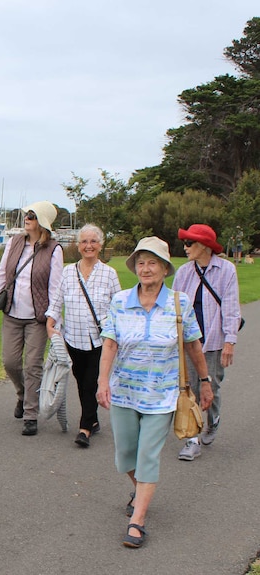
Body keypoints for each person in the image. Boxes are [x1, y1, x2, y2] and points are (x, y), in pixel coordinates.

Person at [96, 237, 212, 548]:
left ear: (164, 269)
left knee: (148, 454)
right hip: (123, 391)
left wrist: (205, 380)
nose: (146, 269)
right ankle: (141, 488)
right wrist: (102, 381)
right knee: (125, 455)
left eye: (153, 263)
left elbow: (193, 345)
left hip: (162, 395)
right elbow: (110, 343)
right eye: (141, 263)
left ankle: (138, 520)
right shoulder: (120, 301)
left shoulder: (179, 302)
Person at [0, 201, 64, 436]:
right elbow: (1, 274)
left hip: (37, 317)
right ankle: (23, 394)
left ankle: (30, 414)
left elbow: (56, 288)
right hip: (12, 313)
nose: (26, 218)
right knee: (10, 362)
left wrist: (53, 319)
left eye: (32, 215)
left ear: (42, 222)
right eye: (26, 214)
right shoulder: (14, 242)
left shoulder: (54, 249)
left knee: (33, 366)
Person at [46, 224, 121, 447]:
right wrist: (51, 324)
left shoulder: (109, 274)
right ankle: (94, 420)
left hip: (100, 341)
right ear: (78, 246)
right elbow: (57, 302)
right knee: (81, 382)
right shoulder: (69, 272)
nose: (89, 246)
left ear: (100, 245)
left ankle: (84, 428)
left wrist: (116, 334)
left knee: (91, 383)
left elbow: (118, 307)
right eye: (84, 242)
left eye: (93, 242)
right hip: (73, 338)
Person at [172, 224, 240, 461]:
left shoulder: (226, 270)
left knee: (210, 388)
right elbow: (174, 306)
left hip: (213, 341)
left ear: (204, 246)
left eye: (189, 243)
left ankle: (213, 419)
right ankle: (193, 439)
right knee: (188, 388)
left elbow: (231, 308)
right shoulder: (184, 272)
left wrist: (230, 341)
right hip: (189, 341)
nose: (185, 247)